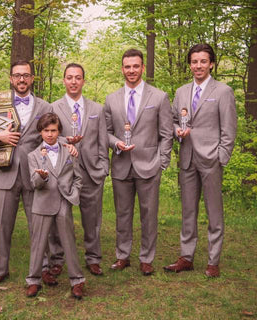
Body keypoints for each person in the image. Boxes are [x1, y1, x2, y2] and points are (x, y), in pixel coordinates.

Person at [0, 60, 54, 286]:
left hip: (34, 175)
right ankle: (0, 270)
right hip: (4, 172)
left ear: (32, 78)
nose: (21, 79)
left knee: (38, 225)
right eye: (17, 75)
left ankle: (43, 268)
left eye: (26, 75)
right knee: (2, 226)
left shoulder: (45, 107)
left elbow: (52, 138)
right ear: (11, 79)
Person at [164, 44, 237, 278]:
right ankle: (186, 257)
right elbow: (173, 120)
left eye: (203, 61)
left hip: (211, 160)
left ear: (211, 64)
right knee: (188, 211)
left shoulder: (223, 91)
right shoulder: (181, 91)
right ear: (190, 64)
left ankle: (213, 261)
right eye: (194, 62)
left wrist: (221, 157)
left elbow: (229, 129)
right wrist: (177, 131)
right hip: (187, 158)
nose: (198, 66)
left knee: (214, 213)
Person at [104, 48, 173, 276]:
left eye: (136, 66)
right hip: (122, 165)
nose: (131, 70)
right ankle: (123, 255)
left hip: (149, 165)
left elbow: (166, 133)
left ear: (143, 68)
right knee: (122, 214)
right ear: (122, 69)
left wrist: (162, 161)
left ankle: (146, 257)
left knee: (149, 214)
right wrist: (116, 144)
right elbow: (105, 132)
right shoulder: (111, 99)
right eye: (127, 66)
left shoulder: (159, 97)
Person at [49, 63, 109, 277]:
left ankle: (93, 258)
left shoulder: (97, 109)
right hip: (64, 172)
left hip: (92, 171)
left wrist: (103, 168)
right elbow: (49, 138)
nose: (73, 81)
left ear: (84, 81)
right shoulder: (54, 108)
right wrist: (66, 141)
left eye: (78, 77)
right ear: (63, 80)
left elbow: (103, 140)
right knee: (60, 218)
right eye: (69, 77)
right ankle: (56, 258)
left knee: (92, 219)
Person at [26, 112, 85, 299]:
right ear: (40, 132)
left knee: (69, 242)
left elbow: (78, 177)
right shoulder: (33, 156)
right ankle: (33, 280)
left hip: (63, 202)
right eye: (46, 131)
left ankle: (77, 280)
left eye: (53, 130)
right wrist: (41, 177)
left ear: (59, 131)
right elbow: (34, 183)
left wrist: (73, 194)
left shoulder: (69, 151)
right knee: (38, 244)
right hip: (42, 203)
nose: (50, 134)